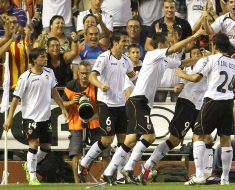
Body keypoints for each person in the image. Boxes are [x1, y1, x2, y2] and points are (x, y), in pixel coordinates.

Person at [102, 29, 204, 185]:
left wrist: (202, 59)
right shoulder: (152, 54)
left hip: (144, 103)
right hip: (138, 101)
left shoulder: (164, 61)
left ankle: (108, 172)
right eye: (167, 43)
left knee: (130, 141)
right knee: (150, 136)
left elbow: (183, 62)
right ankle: (129, 168)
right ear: (160, 45)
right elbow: (174, 49)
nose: (170, 45)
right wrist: (195, 36)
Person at [139, 46, 214, 185]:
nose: (197, 55)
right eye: (194, 53)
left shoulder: (208, 66)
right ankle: (148, 165)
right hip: (186, 104)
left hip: (199, 106)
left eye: (199, 53)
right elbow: (181, 82)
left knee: (207, 138)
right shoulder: (189, 69)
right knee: (175, 140)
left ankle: (207, 173)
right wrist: (179, 83)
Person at [178, 33, 235, 185]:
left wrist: (180, 73)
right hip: (227, 102)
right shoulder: (233, 62)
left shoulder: (210, 59)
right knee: (226, 140)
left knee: (198, 136)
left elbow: (196, 78)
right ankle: (225, 178)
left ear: (215, 45)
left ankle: (199, 175)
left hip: (212, 101)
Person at [3, 48, 68, 185]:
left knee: (46, 148)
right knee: (34, 143)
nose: (45, 59)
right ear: (34, 60)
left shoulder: (49, 73)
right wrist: (9, 118)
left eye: (45, 57)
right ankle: (32, 176)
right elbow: (15, 99)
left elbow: (54, 92)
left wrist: (62, 108)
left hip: (45, 117)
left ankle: (29, 165)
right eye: (42, 57)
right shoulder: (25, 77)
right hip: (30, 117)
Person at [78, 31, 137, 181]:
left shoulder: (126, 60)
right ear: (115, 43)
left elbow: (133, 78)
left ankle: (118, 175)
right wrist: (100, 85)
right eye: (124, 41)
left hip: (121, 104)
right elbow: (92, 76)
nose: (126, 43)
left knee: (124, 140)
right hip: (106, 103)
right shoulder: (104, 57)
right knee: (107, 140)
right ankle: (84, 162)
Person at [62, 61, 109, 183]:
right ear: (78, 73)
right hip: (76, 122)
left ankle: (106, 177)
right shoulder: (71, 85)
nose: (84, 76)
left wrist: (92, 117)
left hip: (95, 123)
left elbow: (103, 108)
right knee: (75, 153)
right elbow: (62, 104)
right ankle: (77, 182)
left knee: (104, 152)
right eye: (82, 73)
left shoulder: (96, 86)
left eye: (87, 73)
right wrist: (72, 102)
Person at [203, 0, 235, 87]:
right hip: (227, 58)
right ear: (227, 5)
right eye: (231, 2)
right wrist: (204, 18)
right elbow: (210, 32)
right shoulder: (222, 19)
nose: (233, 4)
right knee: (227, 86)